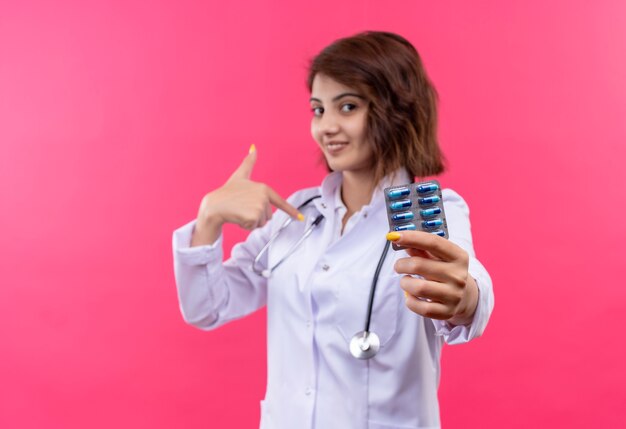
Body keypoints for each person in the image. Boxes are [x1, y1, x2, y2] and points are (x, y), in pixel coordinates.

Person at [172, 31, 494, 429]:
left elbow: (466, 289)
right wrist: (209, 219)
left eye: (347, 106)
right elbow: (208, 307)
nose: (325, 127)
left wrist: (464, 298)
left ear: (397, 109)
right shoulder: (298, 215)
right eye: (318, 109)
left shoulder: (428, 209)